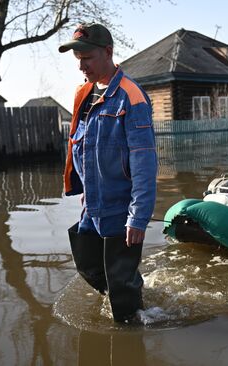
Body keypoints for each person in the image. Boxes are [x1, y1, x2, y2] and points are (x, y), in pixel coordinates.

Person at [59, 23, 157, 323]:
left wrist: (139, 216)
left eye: (86, 57)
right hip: (94, 205)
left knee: (123, 302)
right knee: (87, 266)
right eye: (78, 58)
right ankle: (129, 295)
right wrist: (84, 190)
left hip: (120, 208)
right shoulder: (83, 94)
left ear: (108, 52)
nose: (81, 65)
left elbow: (144, 161)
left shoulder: (131, 96)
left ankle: (134, 323)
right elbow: (81, 147)